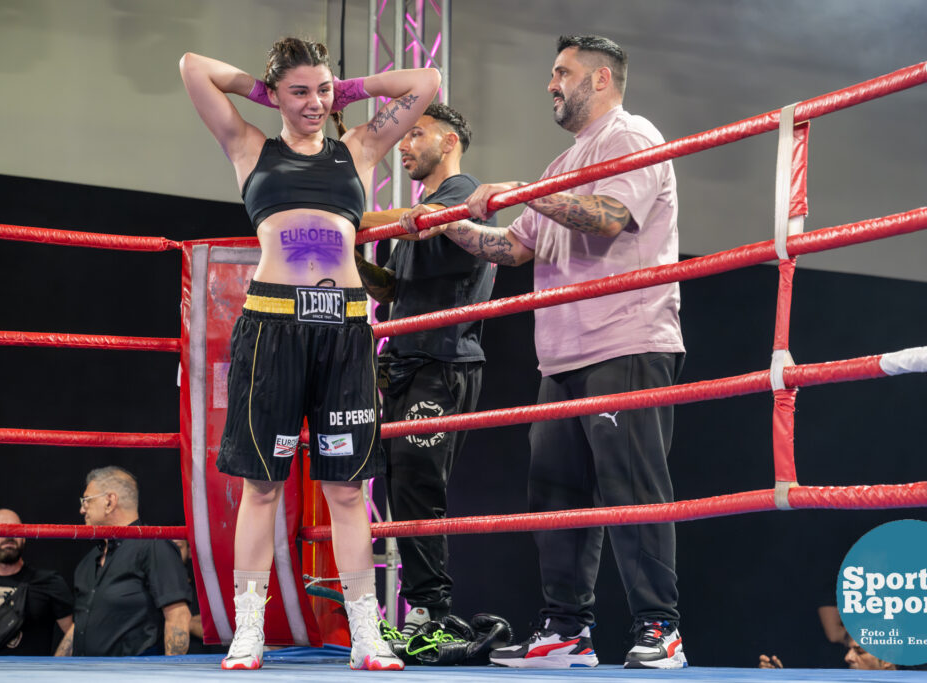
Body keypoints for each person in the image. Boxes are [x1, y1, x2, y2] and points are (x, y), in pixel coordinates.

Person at [401, 35, 686, 669]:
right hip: (562, 354)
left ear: (602, 79)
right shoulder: (562, 163)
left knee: (632, 487)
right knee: (555, 492)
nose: (552, 83)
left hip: (627, 338)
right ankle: (566, 630)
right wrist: (447, 223)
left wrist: (523, 190)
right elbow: (515, 247)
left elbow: (608, 214)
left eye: (563, 72)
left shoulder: (631, 137)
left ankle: (660, 628)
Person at [179, 37, 440, 671]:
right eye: (300, 91)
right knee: (262, 486)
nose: (315, 102)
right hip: (273, 326)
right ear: (276, 96)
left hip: (345, 328)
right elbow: (193, 68)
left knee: (347, 492)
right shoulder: (250, 146)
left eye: (323, 89)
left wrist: (350, 89)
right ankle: (248, 629)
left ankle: (366, 633)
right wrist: (259, 90)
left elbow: (425, 82)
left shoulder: (359, 149)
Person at [353, 103, 496, 637]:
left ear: (450, 140)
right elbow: (390, 288)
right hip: (404, 359)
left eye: (416, 133)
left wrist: (339, 218)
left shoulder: (462, 195)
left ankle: (431, 612)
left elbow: (413, 232)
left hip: (444, 359)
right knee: (398, 486)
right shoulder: (420, 210)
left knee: (418, 484)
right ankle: (422, 610)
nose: (405, 145)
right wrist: (351, 255)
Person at [55, 466, 192, 657]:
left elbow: (177, 615)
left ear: (109, 502)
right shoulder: (89, 561)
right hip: (85, 673)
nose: (81, 509)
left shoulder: (153, 546)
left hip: (135, 675)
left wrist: (174, 674)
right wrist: (57, 667)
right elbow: (81, 623)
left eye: (86, 501)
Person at [0, 509, 73, 655]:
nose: (9, 536)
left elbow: (78, 634)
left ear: (24, 537)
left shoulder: (49, 582)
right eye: (0, 530)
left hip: (32, 676)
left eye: (16, 530)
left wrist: (56, 667)